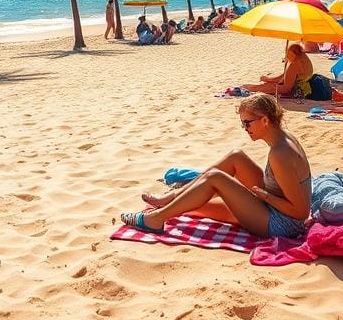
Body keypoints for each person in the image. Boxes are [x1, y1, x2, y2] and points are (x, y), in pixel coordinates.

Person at [120, 94, 312, 238]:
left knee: (215, 178)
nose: (245, 129)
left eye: (247, 123)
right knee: (236, 157)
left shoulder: (280, 154)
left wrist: (265, 197)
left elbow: (301, 212)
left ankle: (156, 219)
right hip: (275, 205)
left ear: (265, 120)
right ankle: (171, 197)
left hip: (282, 225)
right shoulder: (282, 137)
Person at [243, 43, 313, 97]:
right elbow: (285, 76)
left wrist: (268, 80)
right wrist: (269, 79)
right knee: (268, 84)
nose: (286, 56)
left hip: (297, 91)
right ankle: (250, 87)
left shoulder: (295, 64)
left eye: (287, 53)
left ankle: (249, 88)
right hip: (303, 87)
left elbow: (286, 88)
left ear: (293, 54)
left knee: (268, 86)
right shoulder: (303, 58)